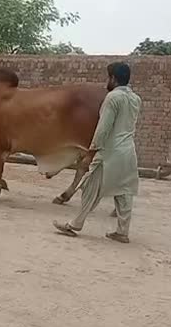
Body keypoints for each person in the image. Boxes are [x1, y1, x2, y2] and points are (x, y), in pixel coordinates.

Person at [53, 62, 141, 243]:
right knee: (124, 192)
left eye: (108, 77)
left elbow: (103, 128)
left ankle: (74, 225)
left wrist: (91, 152)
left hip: (110, 152)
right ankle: (122, 232)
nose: (107, 80)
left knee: (89, 187)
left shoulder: (112, 98)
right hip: (128, 151)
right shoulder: (135, 99)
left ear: (114, 79)